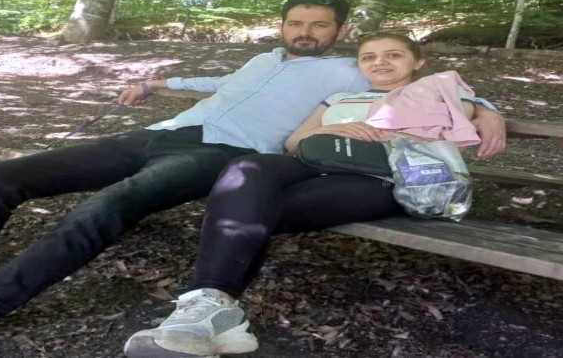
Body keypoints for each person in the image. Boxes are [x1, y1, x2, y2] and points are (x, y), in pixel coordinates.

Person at [123, 31, 506, 358]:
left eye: (393, 55)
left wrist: (489, 113)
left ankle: (213, 313)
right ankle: (212, 309)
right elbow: (295, 141)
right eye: (369, 57)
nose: (380, 62)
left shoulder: (435, 90)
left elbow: (466, 107)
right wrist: (335, 129)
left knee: (253, 209)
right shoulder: (339, 98)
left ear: (417, 61)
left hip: (382, 177)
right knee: (245, 170)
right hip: (318, 161)